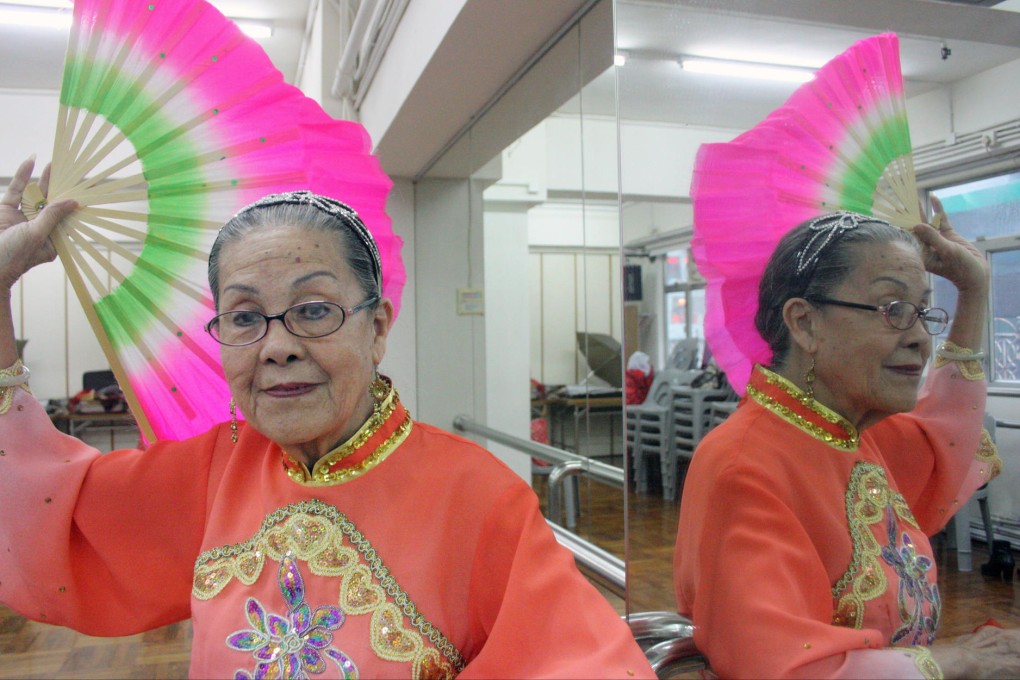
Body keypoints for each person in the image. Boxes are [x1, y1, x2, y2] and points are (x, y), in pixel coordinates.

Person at [0, 157, 655, 679]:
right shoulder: (213, 469)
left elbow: (581, 661)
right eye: (245, 316)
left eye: (313, 309)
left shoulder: (478, 495)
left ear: (376, 329)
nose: (277, 344)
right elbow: (48, 505)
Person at [674, 207, 1020, 678]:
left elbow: (947, 439)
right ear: (804, 323)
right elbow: (786, 667)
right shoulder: (743, 467)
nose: (920, 338)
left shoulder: (852, 433)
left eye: (921, 312)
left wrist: (974, 289)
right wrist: (960, 660)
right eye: (893, 310)